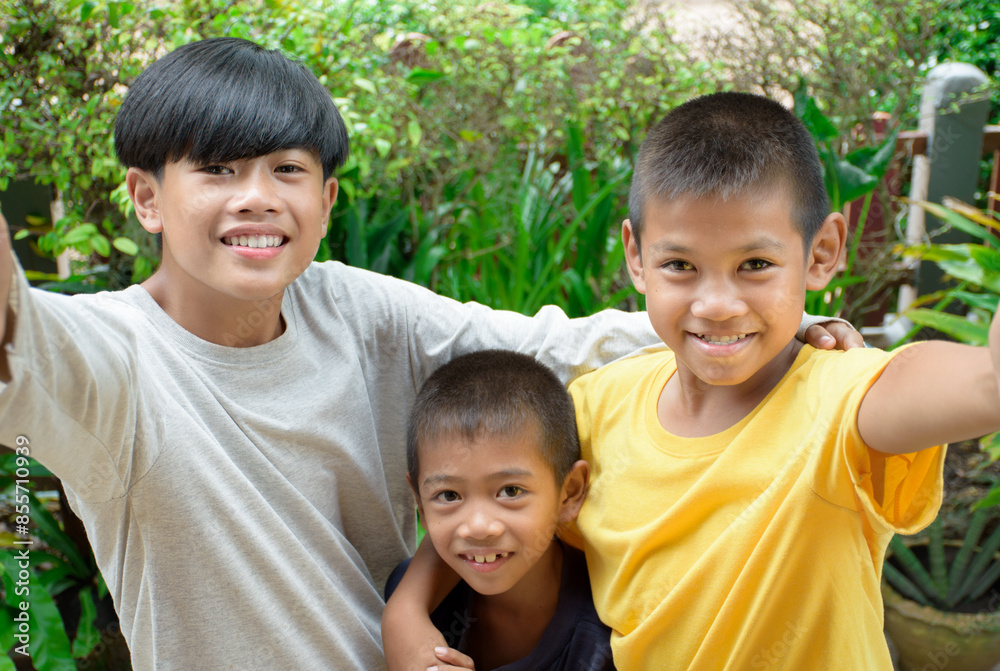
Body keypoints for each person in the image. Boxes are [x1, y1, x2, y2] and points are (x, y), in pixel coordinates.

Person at [0, 35, 857, 670]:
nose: (257, 198)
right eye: (219, 171)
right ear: (147, 198)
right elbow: (18, 337)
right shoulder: (108, 355)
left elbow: (552, 351)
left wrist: (763, 331)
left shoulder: (357, 310)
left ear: (328, 198)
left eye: (287, 171)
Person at [383, 91, 1000, 671]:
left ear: (821, 251)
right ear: (636, 256)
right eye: (681, 265)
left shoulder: (839, 401)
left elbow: (980, 385)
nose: (717, 304)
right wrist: (406, 612)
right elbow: (478, 503)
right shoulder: (596, 407)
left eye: (754, 265)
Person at [384, 349, 614, 671]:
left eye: (510, 491)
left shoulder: (609, 631)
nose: (478, 526)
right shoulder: (413, 602)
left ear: (569, 492)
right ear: (420, 504)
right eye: (448, 495)